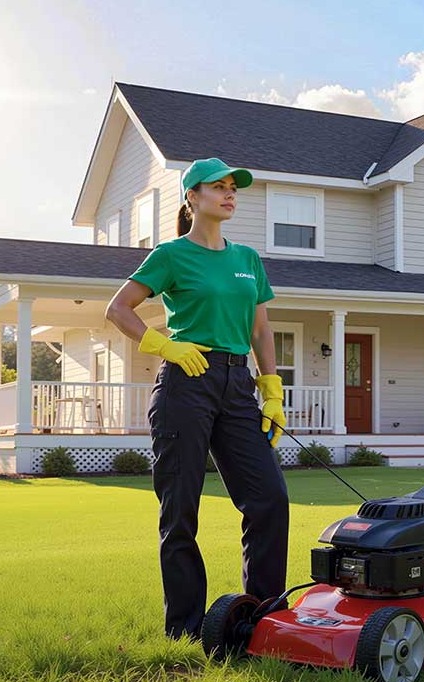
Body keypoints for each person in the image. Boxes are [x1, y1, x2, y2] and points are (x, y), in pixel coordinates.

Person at [106, 157, 289, 641]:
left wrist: (271, 388)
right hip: (186, 383)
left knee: (269, 498)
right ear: (192, 197)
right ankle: (185, 629)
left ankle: (264, 618)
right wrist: (163, 344)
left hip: (238, 387)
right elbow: (118, 309)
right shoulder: (171, 255)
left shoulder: (247, 259)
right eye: (219, 187)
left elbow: (261, 328)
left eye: (234, 188)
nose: (230, 194)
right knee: (181, 509)